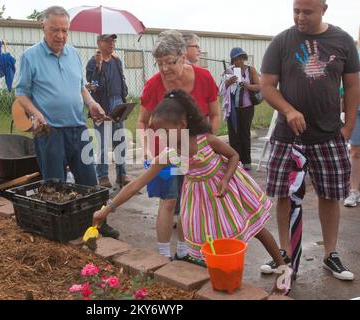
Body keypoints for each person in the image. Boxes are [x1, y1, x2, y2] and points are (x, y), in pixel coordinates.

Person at [95, 89, 292, 294]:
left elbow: (234, 156)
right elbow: (136, 184)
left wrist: (225, 180)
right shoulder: (170, 154)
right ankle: (220, 279)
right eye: (158, 132)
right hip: (200, 200)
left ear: (182, 125)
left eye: (165, 131)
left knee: (257, 228)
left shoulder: (206, 140)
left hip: (227, 190)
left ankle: (283, 268)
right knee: (210, 242)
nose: (161, 136)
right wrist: (107, 209)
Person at [260, 0, 359, 280]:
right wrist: (288, 110)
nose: (300, 17)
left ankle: (330, 254)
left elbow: (353, 86)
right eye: (296, 10)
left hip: (329, 134)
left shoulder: (343, 41)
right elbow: (267, 86)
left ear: (324, 9)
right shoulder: (281, 41)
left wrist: (349, 125)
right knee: (283, 195)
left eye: (307, 11)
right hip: (287, 136)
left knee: (330, 195)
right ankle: (283, 252)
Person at [15, 6, 119, 239]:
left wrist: (92, 104)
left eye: (64, 30)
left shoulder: (73, 54)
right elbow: (21, 93)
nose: (60, 35)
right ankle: (60, 231)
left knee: (89, 182)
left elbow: (80, 87)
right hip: (49, 131)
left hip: (78, 128)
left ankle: (99, 225)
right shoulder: (30, 56)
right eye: (54, 30)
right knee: (55, 186)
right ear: (43, 26)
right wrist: (35, 114)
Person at [138, 30, 220, 261]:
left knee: (189, 199)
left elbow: (214, 115)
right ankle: (163, 254)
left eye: (169, 62)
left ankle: (185, 250)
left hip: (193, 153)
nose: (164, 68)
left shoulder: (203, 77)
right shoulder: (154, 85)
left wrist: (206, 143)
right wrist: (147, 152)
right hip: (165, 152)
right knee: (169, 200)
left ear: (183, 57)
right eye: (159, 63)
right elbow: (143, 121)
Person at [86, 34, 131, 189]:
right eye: (107, 41)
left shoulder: (117, 61)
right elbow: (92, 86)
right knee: (103, 142)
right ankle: (103, 176)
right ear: (99, 43)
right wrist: (98, 68)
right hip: (101, 104)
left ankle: (121, 174)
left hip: (117, 101)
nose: (111, 44)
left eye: (113, 41)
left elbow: (122, 79)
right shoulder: (92, 63)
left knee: (120, 140)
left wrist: (123, 96)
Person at [220, 48, 261, 171]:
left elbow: (259, 87)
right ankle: (236, 162)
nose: (238, 61)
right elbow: (221, 90)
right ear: (232, 61)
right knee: (234, 135)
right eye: (235, 59)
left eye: (240, 58)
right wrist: (227, 83)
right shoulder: (228, 71)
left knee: (245, 133)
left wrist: (247, 86)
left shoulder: (250, 70)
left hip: (247, 107)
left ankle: (247, 161)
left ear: (244, 58)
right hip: (232, 108)